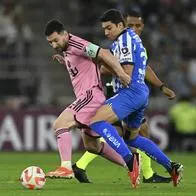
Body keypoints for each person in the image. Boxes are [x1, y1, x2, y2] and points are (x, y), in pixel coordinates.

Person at [72, 9, 175, 184]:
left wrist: (103, 62)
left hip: (127, 92)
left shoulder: (126, 41)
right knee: (130, 135)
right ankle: (167, 168)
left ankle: (131, 163)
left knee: (102, 125)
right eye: (132, 24)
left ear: (122, 25)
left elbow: (126, 72)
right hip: (136, 92)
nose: (106, 32)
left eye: (138, 25)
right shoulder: (131, 42)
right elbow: (129, 68)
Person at [44, 19, 140, 186]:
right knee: (92, 146)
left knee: (60, 124)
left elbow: (103, 53)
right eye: (50, 42)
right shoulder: (67, 49)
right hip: (89, 97)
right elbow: (84, 64)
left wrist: (121, 74)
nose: (53, 45)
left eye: (55, 40)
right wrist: (64, 60)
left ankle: (66, 168)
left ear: (65, 34)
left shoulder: (77, 44)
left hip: (90, 96)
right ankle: (131, 164)